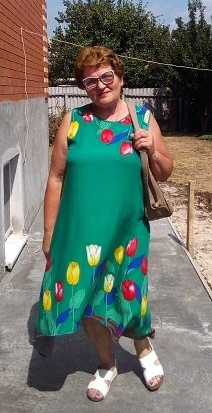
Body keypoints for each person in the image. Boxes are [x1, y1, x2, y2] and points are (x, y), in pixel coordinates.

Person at [36, 45, 173, 402]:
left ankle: (143, 348)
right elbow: (56, 178)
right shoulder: (73, 120)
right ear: (84, 87)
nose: (100, 85)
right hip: (79, 232)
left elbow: (165, 172)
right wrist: (49, 233)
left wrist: (152, 149)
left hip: (127, 230)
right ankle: (107, 363)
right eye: (90, 81)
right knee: (86, 299)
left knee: (131, 293)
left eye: (106, 76)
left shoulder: (142, 118)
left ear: (120, 77)